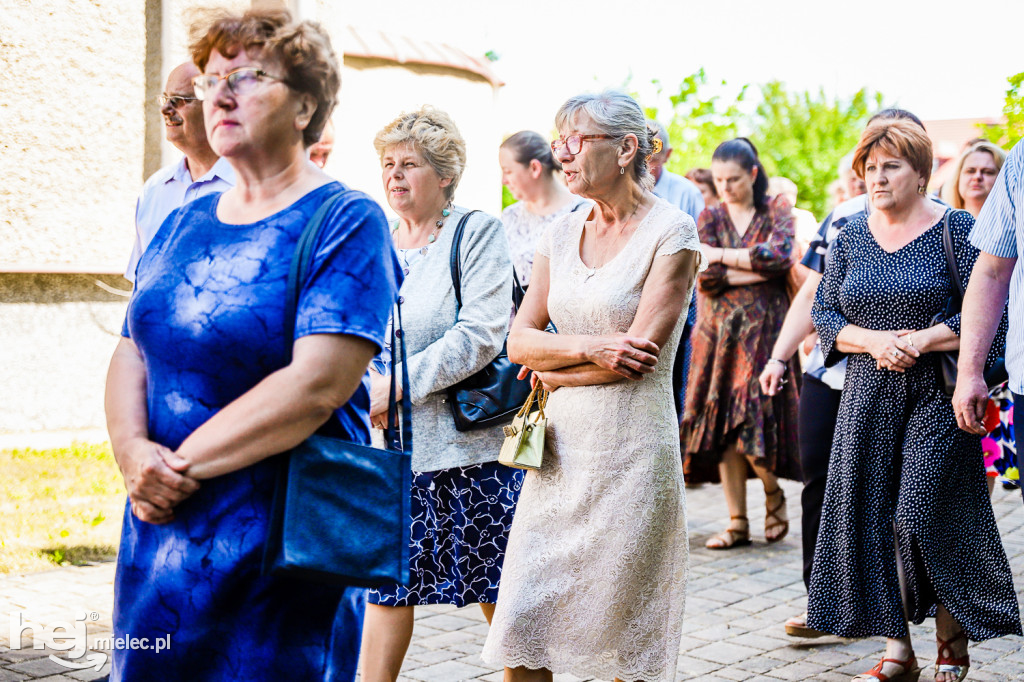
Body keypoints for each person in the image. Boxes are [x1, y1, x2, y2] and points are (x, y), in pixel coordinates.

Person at [104, 10, 401, 681]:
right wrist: (131, 456)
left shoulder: (345, 219)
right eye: (210, 80)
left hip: (277, 542)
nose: (219, 95)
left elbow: (316, 386)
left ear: (305, 104)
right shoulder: (182, 218)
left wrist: (171, 467)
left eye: (246, 77)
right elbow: (130, 347)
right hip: (161, 530)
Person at [480, 90, 702, 682]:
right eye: (558, 142)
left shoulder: (673, 233)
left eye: (576, 140)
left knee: (620, 628)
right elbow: (518, 340)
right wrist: (586, 348)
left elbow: (642, 358)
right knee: (527, 619)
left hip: (631, 454)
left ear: (627, 148)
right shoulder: (559, 232)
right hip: (560, 456)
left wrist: (554, 373)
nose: (563, 155)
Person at [808, 118, 1020, 682]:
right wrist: (875, 341)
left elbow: (988, 314)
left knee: (924, 515)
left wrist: (922, 340)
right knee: (874, 518)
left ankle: (953, 642)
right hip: (866, 397)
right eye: (870, 168)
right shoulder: (850, 234)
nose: (877, 178)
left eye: (891, 166)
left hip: (938, 396)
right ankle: (897, 650)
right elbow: (826, 316)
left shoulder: (957, 229)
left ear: (922, 172)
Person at [359, 106, 522, 682]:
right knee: (386, 591)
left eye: (410, 164)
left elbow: (480, 334)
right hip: (394, 456)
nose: (395, 175)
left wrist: (393, 388)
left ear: (446, 174)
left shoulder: (475, 232)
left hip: (470, 454)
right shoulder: (375, 241)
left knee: (502, 599)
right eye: (387, 164)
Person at [759, 108, 915, 639]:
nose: (876, 173)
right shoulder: (846, 218)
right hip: (831, 375)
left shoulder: (941, 220)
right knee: (818, 483)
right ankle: (820, 601)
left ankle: (895, 605)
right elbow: (814, 293)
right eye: (870, 157)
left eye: (888, 158)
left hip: (903, 383)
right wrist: (780, 356)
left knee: (897, 496)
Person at [682, 138, 801, 550]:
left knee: (753, 415)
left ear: (752, 174)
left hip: (765, 334)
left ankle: (772, 491)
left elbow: (782, 256)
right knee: (722, 429)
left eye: (733, 179)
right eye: (719, 180)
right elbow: (704, 274)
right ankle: (736, 521)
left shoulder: (777, 209)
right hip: (717, 337)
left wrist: (723, 257)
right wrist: (751, 267)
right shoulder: (710, 214)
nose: (726, 187)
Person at [940, 141, 1017, 492]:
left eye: (988, 171)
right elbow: (991, 275)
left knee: (991, 457)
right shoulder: (944, 226)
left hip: (1003, 364)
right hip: (970, 361)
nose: (978, 178)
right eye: (970, 170)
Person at [125, 61, 235, 282]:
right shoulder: (155, 190)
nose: (165, 109)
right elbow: (140, 286)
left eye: (178, 101)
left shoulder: (249, 188)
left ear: (215, 107)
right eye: (165, 99)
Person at [649, 120, 705, 424]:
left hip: (679, 297)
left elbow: (700, 248)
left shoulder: (686, 193)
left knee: (674, 374)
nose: (649, 167)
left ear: (667, 155)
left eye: (655, 161)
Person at [499, 130, 588, 287]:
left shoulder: (582, 213)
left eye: (508, 171)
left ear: (534, 168)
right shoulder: (509, 216)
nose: (504, 180)